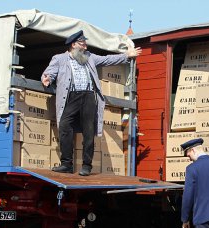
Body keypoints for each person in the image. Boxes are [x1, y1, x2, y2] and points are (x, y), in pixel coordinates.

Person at [41, 30, 141, 176]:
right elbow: (49, 72)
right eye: (83, 44)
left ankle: (87, 166)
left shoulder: (90, 57)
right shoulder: (60, 59)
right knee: (64, 126)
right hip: (70, 96)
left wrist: (126, 55)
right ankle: (66, 164)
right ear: (73, 45)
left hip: (88, 96)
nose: (85, 47)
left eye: (85, 44)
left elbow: (107, 60)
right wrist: (47, 78)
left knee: (89, 131)